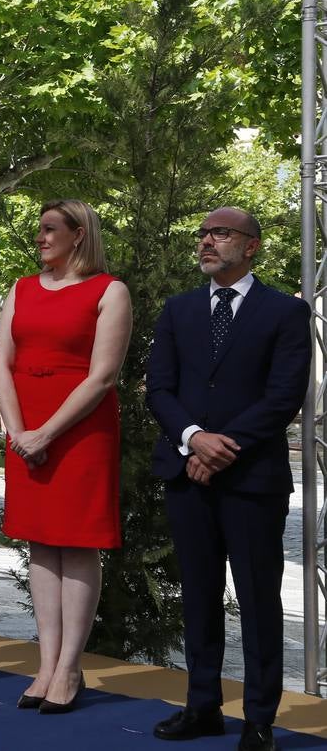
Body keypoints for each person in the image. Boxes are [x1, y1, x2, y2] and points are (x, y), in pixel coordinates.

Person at [146, 208, 308, 751]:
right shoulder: (179, 310)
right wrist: (194, 438)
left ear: (253, 246)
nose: (207, 241)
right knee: (198, 597)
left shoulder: (286, 312)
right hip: (186, 474)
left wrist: (222, 448)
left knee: (259, 599)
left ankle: (260, 719)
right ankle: (203, 707)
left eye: (221, 233)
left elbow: (283, 396)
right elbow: (160, 390)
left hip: (251, 480)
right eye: (203, 234)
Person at [0, 199, 131, 713]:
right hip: (25, 429)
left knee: (76, 543)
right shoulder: (21, 288)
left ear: (79, 235)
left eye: (50, 229)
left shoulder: (108, 290)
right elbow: (1, 364)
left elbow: (103, 376)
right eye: (39, 230)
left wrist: (46, 432)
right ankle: (46, 664)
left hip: (79, 430)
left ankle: (70, 668)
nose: (41, 237)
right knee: (41, 544)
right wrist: (18, 430)